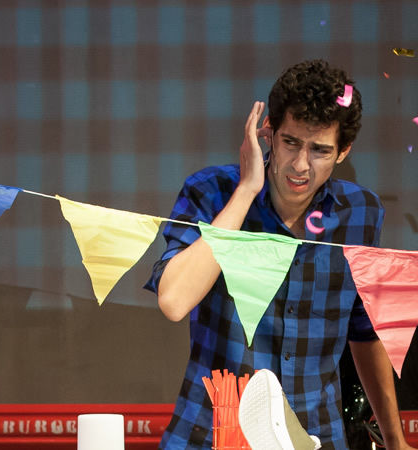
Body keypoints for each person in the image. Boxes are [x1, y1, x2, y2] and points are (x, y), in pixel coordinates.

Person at [145, 59, 414, 449]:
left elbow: (364, 331)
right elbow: (174, 300)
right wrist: (246, 192)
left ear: (343, 151)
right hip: (213, 435)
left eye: (320, 150)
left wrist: (394, 439)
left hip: (315, 435)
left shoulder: (361, 213)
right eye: (291, 143)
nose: (300, 165)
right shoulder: (212, 191)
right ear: (268, 132)